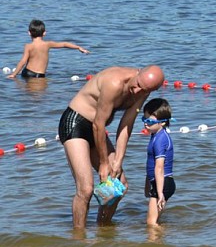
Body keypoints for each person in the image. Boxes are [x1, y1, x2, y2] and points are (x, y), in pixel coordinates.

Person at [58, 65, 165, 229]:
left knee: (120, 185)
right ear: (138, 73)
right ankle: (78, 236)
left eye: (143, 90)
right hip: (75, 123)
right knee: (86, 189)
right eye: (136, 85)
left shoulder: (144, 90)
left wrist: (118, 160)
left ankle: (103, 229)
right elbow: (98, 124)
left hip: (96, 130)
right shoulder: (114, 83)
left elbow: (126, 124)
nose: (136, 91)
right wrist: (104, 162)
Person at [7, 19, 89, 79]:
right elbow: (64, 44)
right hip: (41, 75)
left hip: (28, 73)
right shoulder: (48, 44)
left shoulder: (28, 46)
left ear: (29, 33)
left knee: (29, 96)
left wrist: (14, 74)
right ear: (44, 33)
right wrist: (78, 47)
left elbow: (23, 61)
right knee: (41, 95)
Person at [142, 98, 175, 227]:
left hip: (163, 182)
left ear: (162, 123)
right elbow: (149, 164)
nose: (145, 124)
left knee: (151, 224)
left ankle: (157, 244)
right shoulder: (155, 135)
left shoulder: (161, 140)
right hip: (158, 182)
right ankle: (161, 242)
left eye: (149, 121)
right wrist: (147, 184)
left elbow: (159, 168)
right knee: (155, 222)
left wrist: (160, 193)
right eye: (144, 119)